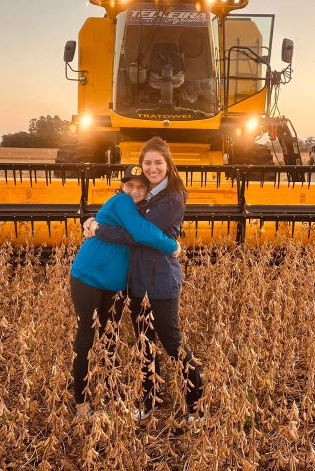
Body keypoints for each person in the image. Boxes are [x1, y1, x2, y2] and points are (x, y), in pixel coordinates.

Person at [84, 137, 203, 422]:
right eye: (147, 163)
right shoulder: (146, 194)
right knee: (144, 344)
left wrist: (99, 230)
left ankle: (197, 405)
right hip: (137, 281)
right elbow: (122, 221)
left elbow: (137, 234)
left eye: (158, 163)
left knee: (172, 344)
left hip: (160, 282)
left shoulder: (172, 198)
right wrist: (93, 221)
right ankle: (149, 403)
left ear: (168, 164)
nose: (152, 168)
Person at [69, 164, 180, 416]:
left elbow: (133, 233)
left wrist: (97, 225)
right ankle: (81, 403)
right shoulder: (122, 201)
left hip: (115, 284)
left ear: (148, 189)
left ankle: (114, 398)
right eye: (129, 185)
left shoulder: (144, 210)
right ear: (122, 187)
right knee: (86, 336)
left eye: (141, 186)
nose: (134, 191)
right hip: (88, 275)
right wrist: (171, 246)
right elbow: (140, 233)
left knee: (110, 338)